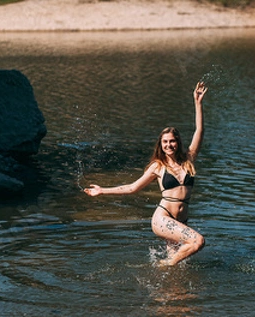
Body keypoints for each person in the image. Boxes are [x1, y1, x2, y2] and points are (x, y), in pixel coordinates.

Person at [84, 82, 207, 266]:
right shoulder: (158, 166)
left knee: (178, 269)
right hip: (163, 218)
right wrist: (102, 191)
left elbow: (200, 130)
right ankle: (164, 265)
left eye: (172, 141)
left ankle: (167, 286)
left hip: (181, 219)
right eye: (165, 142)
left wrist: (197, 103)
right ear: (161, 145)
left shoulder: (189, 158)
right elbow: (132, 187)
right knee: (197, 241)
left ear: (178, 142)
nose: (169, 145)